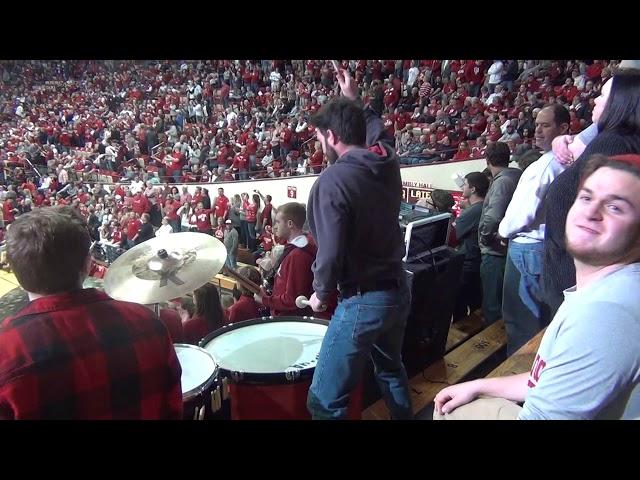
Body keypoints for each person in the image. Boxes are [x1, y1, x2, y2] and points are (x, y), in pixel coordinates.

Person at [433, 154, 640, 420]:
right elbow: (543, 380)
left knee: (446, 413)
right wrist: (479, 384)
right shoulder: (609, 288)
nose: (591, 211)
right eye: (587, 197)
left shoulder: (607, 313)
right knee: (457, 402)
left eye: (616, 207)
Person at [0, 206, 182, 419]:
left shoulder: (6, 350)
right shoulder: (148, 323)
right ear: (88, 264)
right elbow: (172, 410)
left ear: (16, 272)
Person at [305, 65, 412, 420]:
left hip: (364, 301)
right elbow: (379, 132)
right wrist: (354, 101)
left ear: (331, 135)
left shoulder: (332, 181)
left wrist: (320, 291)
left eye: (321, 138)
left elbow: (331, 252)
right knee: (391, 370)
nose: (321, 145)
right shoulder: (387, 159)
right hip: (398, 289)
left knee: (323, 401)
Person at [541, 69, 640, 321]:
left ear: (622, 103)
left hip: (577, 280)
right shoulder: (612, 138)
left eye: (603, 95)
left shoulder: (613, 143)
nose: (594, 100)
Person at [498, 105, 569, 354]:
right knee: (540, 320)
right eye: (537, 124)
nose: (537, 130)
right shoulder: (567, 161)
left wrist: (502, 231)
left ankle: (517, 382)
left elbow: (523, 214)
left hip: (527, 249)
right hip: (546, 246)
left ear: (563, 129)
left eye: (545, 125)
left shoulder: (544, 166)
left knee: (521, 322)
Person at [254, 202, 332, 318]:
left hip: (289, 320)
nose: (275, 226)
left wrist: (265, 300)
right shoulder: (294, 248)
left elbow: (293, 299)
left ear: (290, 224)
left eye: (278, 222)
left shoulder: (298, 255)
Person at [478, 142, 522, 325]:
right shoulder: (517, 175)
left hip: (496, 253)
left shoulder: (503, 181)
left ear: (487, 160)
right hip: (506, 249)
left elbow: (493, 216)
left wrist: (485, 238)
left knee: (492, 307)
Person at [452, 172, 489, 321]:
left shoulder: (472, 212)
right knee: (475, 302)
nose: (463, 187)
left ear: (473, 189)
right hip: (479, 261)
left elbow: (454, 235)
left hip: (468, 263)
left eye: (465, 184)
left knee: (459, 304)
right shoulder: (484, 206)